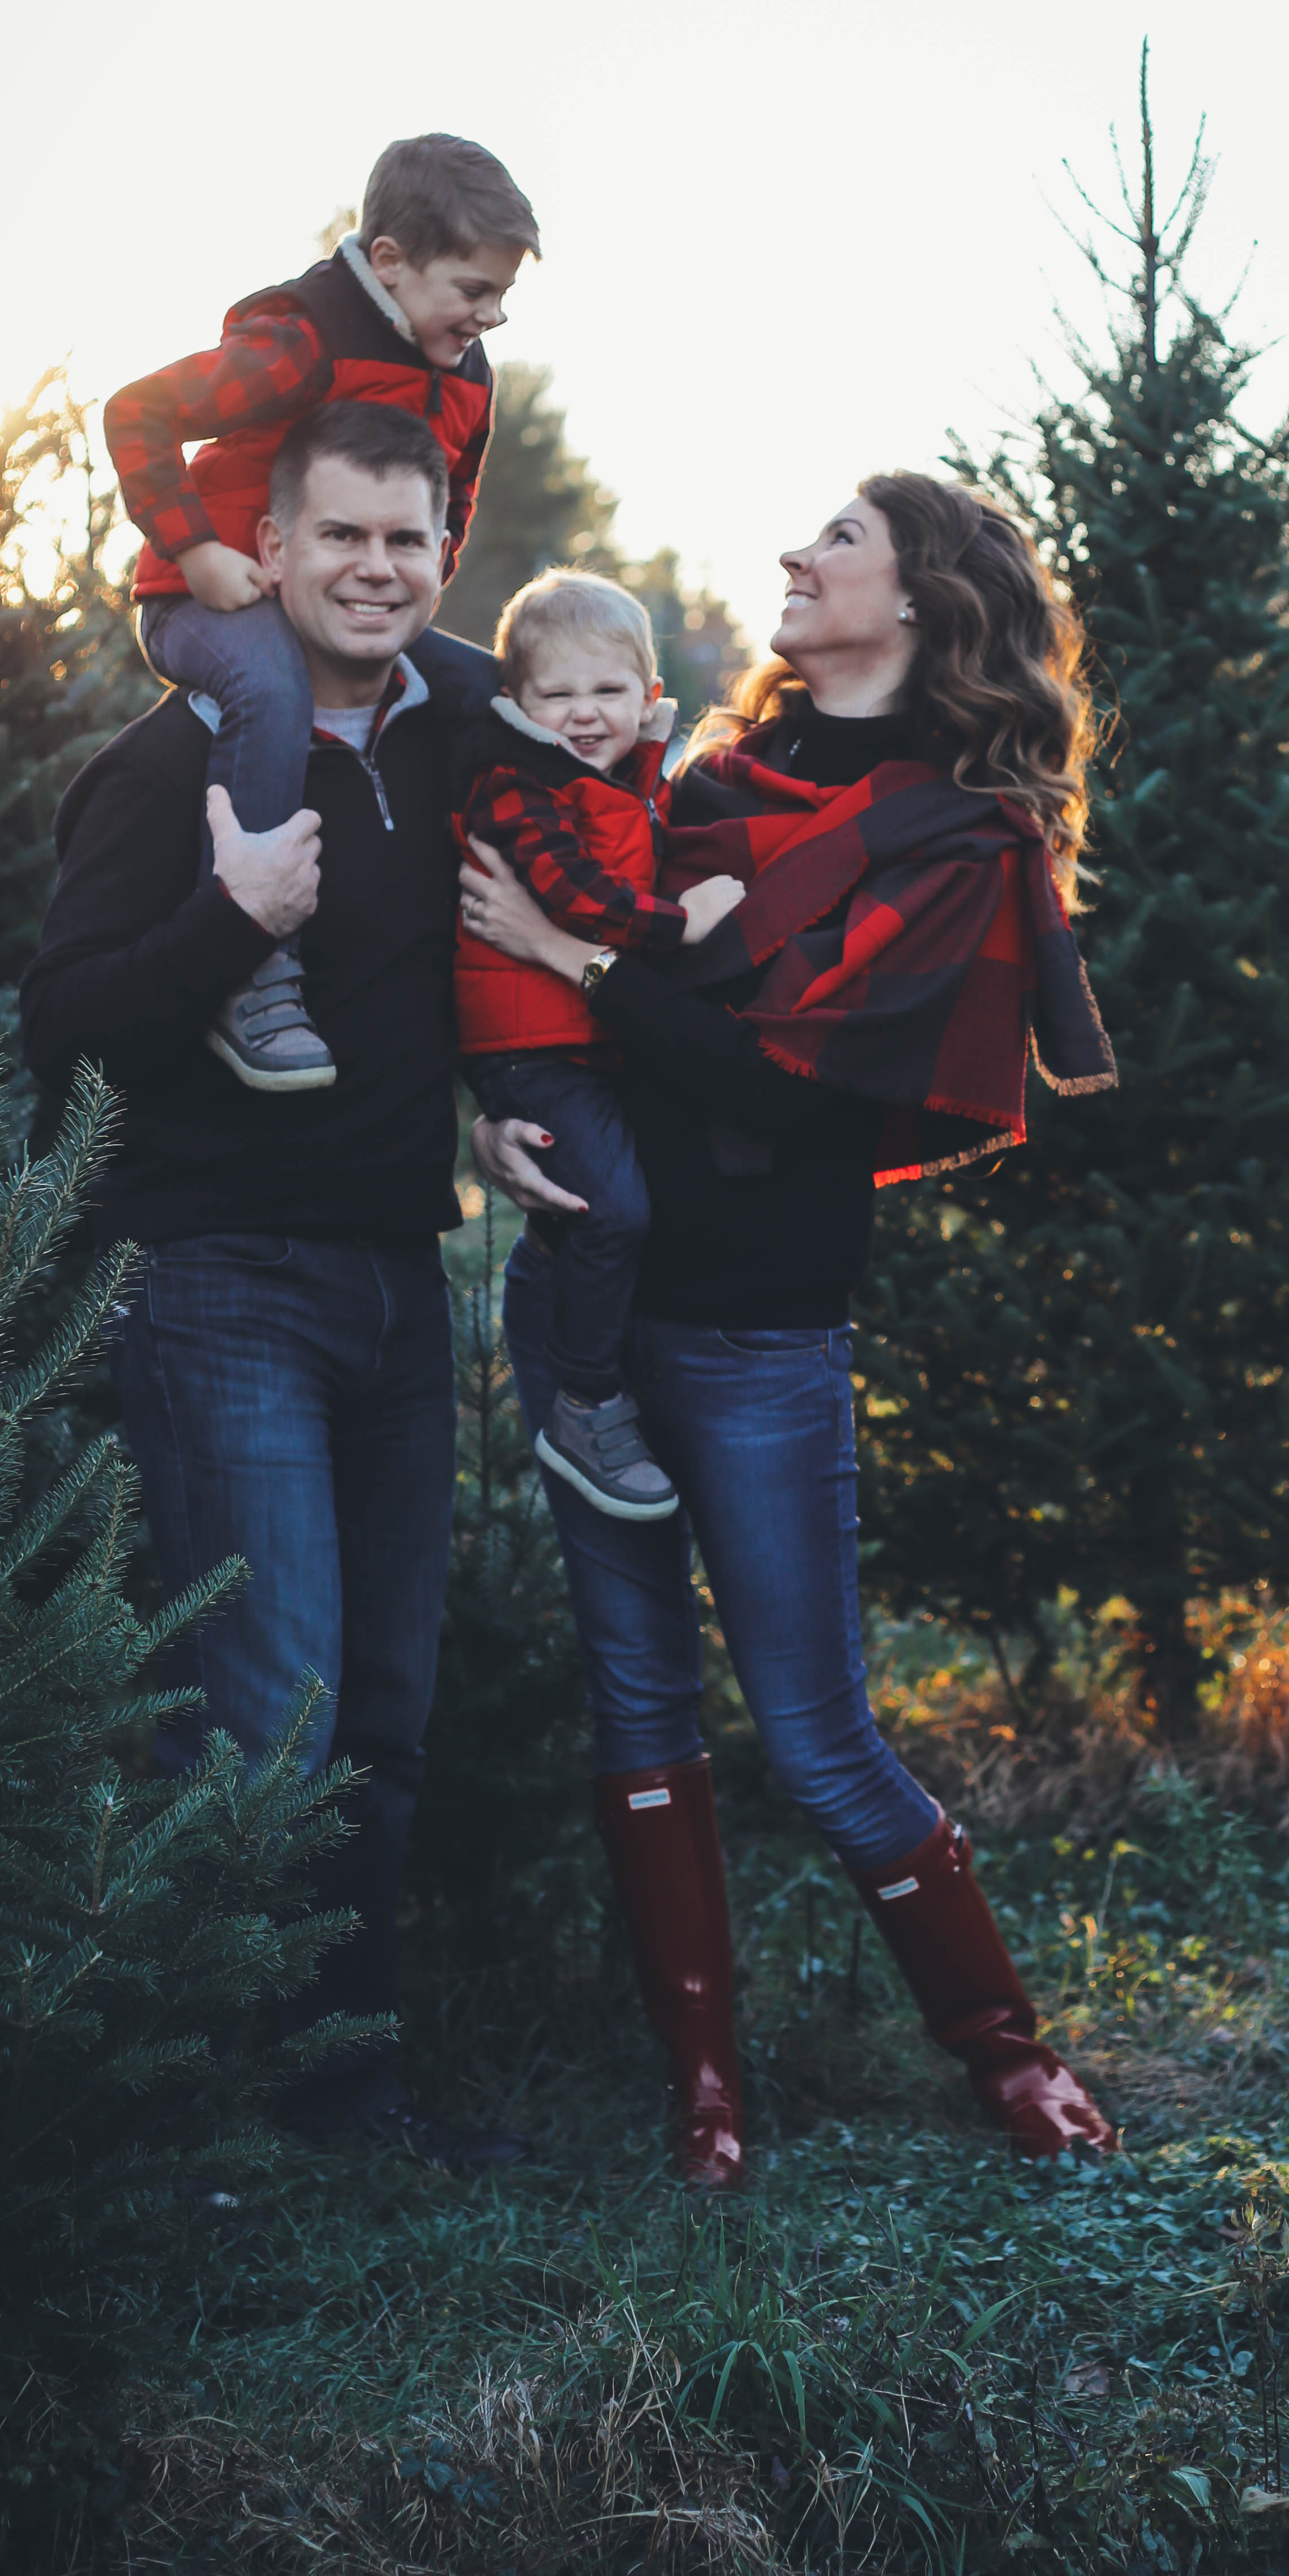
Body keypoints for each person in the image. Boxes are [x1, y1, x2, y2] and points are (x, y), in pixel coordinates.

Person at [463, 473, 1120, 2192]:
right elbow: (553, 992)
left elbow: (798, 1091)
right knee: (638, 1706)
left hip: (761, 1328)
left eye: (836, 540)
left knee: (820, 1733)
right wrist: (499, 1103)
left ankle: (1007, 2054)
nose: (793, 557)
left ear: (915, 602)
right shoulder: (698, 787)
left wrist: (586, 969)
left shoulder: (963, 839)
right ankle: (706, 2089)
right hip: (591, 1307)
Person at [21, 398, 524, 2172]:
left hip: (402, 1283)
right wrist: (234, 919)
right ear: (271, 550)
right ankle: (220, 2112)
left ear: (442, 556)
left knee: (381, 1714)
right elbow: (65, 1029)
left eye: (410, 541)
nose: (378, 571)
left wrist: (517, 1109)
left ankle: (350, 2096)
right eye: (342, 539)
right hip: (223, 1284)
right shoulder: (175, 772)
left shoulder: (461, 731)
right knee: (273, 1716)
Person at [104, 132, 540, 1093]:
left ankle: (537, 940)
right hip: (211, 597)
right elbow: (136, 413)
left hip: (338, 603)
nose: (492, 315)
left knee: (496, 691)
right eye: (473, 289)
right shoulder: (300, 343)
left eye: (504, 294)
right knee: (270, 684)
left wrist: (420, 592)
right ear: (389, 261)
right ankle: (254, 967)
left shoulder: (465, 375)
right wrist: (194, 550)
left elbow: (453, 496)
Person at [455, 571, 746, 1523]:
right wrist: (682, 922)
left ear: (650, 698)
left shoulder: (634, 782)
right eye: (558, 694)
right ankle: (586, 1398)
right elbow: (577, 900)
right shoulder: (519, 786)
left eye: (607, 692)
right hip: (530, 1048)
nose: (584, 714)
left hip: (585, 1039)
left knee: (621, 1198)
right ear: (517, 705)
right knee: (612, 1211)